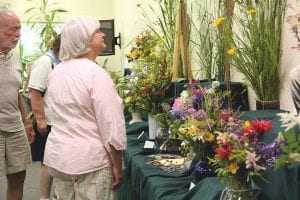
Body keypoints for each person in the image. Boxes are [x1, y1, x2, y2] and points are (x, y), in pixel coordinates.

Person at [44, 16, 127, 199]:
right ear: (85, 40)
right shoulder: (96, 74)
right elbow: (110, 123)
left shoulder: (56, 73)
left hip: (59, 158)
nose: (102, 34)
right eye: (97, 32)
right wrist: (117, 163)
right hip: (91, 162)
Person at [0, 7, 35, 200]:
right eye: (12, 29)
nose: (18, 35)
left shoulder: (14, 55)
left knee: (18, 177)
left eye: (19, 29)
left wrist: (26, 121)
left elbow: (16, 92)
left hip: (15, 126)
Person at [28, 34, 61, 200]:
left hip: (63, 123)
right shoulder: (45, 62)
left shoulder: (64, 62)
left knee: (61, 161)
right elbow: (34, 92)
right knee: (47, 162)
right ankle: (44, 197)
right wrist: (40, 120)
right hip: (48, 122)